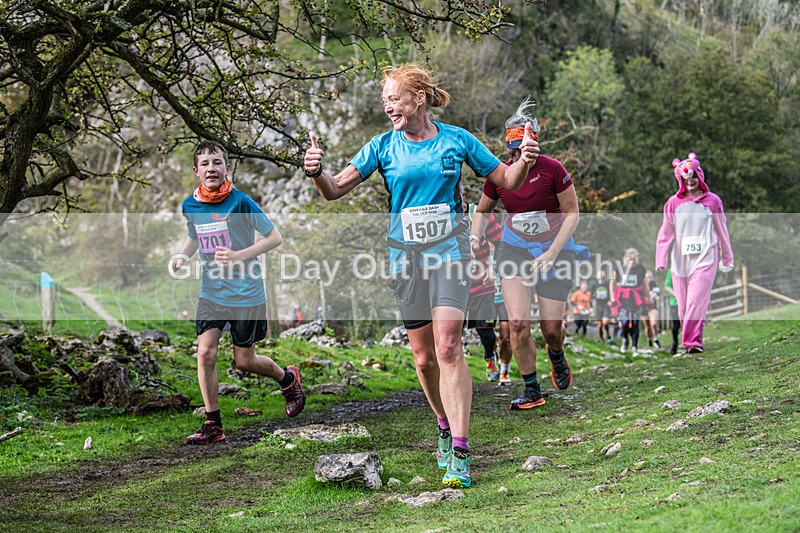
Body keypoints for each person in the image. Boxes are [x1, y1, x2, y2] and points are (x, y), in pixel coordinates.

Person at [303, 64, 539, 488]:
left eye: (395, 98)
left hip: (450, 253)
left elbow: (506, 180)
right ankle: (444, 426)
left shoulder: (457, 140)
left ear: (419, 98)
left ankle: (462, 451)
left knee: (449, 346)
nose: (388, 106)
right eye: (385, 101)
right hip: (405, 261)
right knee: (424, 358)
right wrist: (316, 170)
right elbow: (335, 189)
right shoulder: (382, 146)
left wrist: (522, 161)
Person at [171, 141, 306, 445]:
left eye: (217, 162)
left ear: (227, 168)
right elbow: (193, 238)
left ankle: (288, 379)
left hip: (247, 292)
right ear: (196, 171)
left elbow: (274, 238)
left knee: (244, 361)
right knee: (205, 352)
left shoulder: (242, 202)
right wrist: (181, 257)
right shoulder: (190, 205)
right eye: (205, 164)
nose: (211, 169)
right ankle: (212, 423)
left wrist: (238, 255)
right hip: (212, 291)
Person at [471, 98, 588, 411]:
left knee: (550, 329)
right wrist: (474, 234)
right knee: (518, 322)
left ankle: (557, 353)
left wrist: (551, 253)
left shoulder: (553, 170)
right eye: (510, 147)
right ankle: (532, 389)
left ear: (534, 143)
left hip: (555, 248)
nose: (515, 153)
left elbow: (573, 214)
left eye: (520, 146)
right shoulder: (501, 175)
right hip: (514, 249)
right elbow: (482, 211)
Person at [656, 152, 733, 353]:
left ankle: (691, 343)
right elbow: (666, 232)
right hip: (680, 262)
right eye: (686, 178)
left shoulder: (713, 201)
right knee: (683, 307)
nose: (690, 181)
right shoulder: (673, 203)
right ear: (681, 179)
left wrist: (727, 256)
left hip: (706, 258)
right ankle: (693, 339)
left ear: (699, 176)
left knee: (695, 301)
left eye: (693, 177)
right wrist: (661, 257)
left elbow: (721, 229)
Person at [465, 202, 504, 381]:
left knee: (485, 330)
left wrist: (493, 267)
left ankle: (490, 357)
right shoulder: (440, 213)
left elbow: (501, 243)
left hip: (482, 285)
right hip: (454, 286)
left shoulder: (478, 213)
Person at [609, 248, 650, 357]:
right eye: (629, 257)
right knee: (625, 323)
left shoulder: (641, 269)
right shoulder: (619, 268)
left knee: (635, 324)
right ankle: (625, 339)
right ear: (626, 257)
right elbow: (612, 282)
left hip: (636, 299)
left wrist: (648, 298)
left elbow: (645, 284)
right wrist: (612, 297)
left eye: (634, 258)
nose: (632, 260)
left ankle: (635, 347)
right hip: (623, 300)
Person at [492, 250, 514, 385]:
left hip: (504, 299)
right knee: (486, 336)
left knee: (505, 338)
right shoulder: (476, 243)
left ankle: (504, 371)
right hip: (484, 297)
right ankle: (490, 359)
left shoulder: (506, 244)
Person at [642, 270, 662, 349]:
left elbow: (657, 295)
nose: (649, 279)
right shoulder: (641, 287)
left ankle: (656, 340)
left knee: (653, 324)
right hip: (644, 308)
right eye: (647, 278)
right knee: (647, 327)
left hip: (653, 307)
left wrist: (657, 297)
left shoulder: (654, 285)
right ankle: (649, 340)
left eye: (650, 277)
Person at [664, 267, 682, 355]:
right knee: (676, 326)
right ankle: (675, 343)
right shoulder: (671, 270)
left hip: (687, 302)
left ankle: (689, 343)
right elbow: (667, 286)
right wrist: (677, 295)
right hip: (675, 303)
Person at [591, 271, 612, 343]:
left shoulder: (607, 283)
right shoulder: (594, 284)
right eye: (600, 278)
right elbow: (591, 295)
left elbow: (611, 293)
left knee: (605, 322)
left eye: (603, 278)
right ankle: (601, 339)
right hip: (598, 305)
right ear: (597, 278)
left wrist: (610, 301)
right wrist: (595, 296)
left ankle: (608, 335)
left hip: (606, 305)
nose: (601, 280)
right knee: (599, 325)